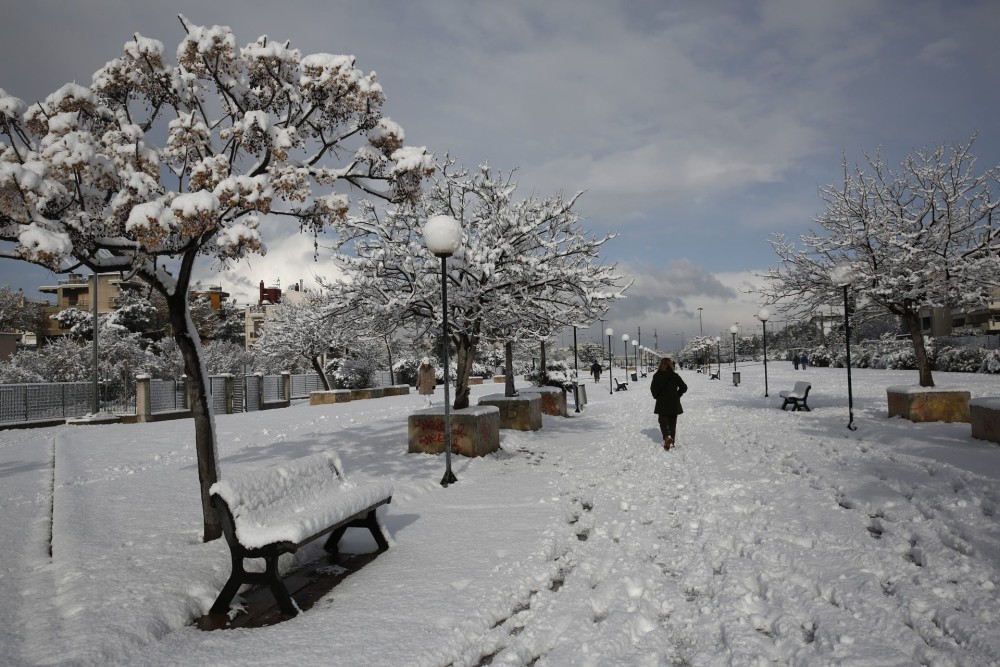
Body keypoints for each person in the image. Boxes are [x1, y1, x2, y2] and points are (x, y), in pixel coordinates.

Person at [649, 357, 687, 451]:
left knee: (662, 421)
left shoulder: (656, 375)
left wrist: (657, 396)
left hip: (662, 402)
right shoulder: (674, 375)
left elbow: (653, 389)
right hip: (673, 402)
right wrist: (678, 394)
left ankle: (666, 437)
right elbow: (684, 387)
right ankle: (672, 441)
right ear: (670, 364)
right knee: (672, 423)